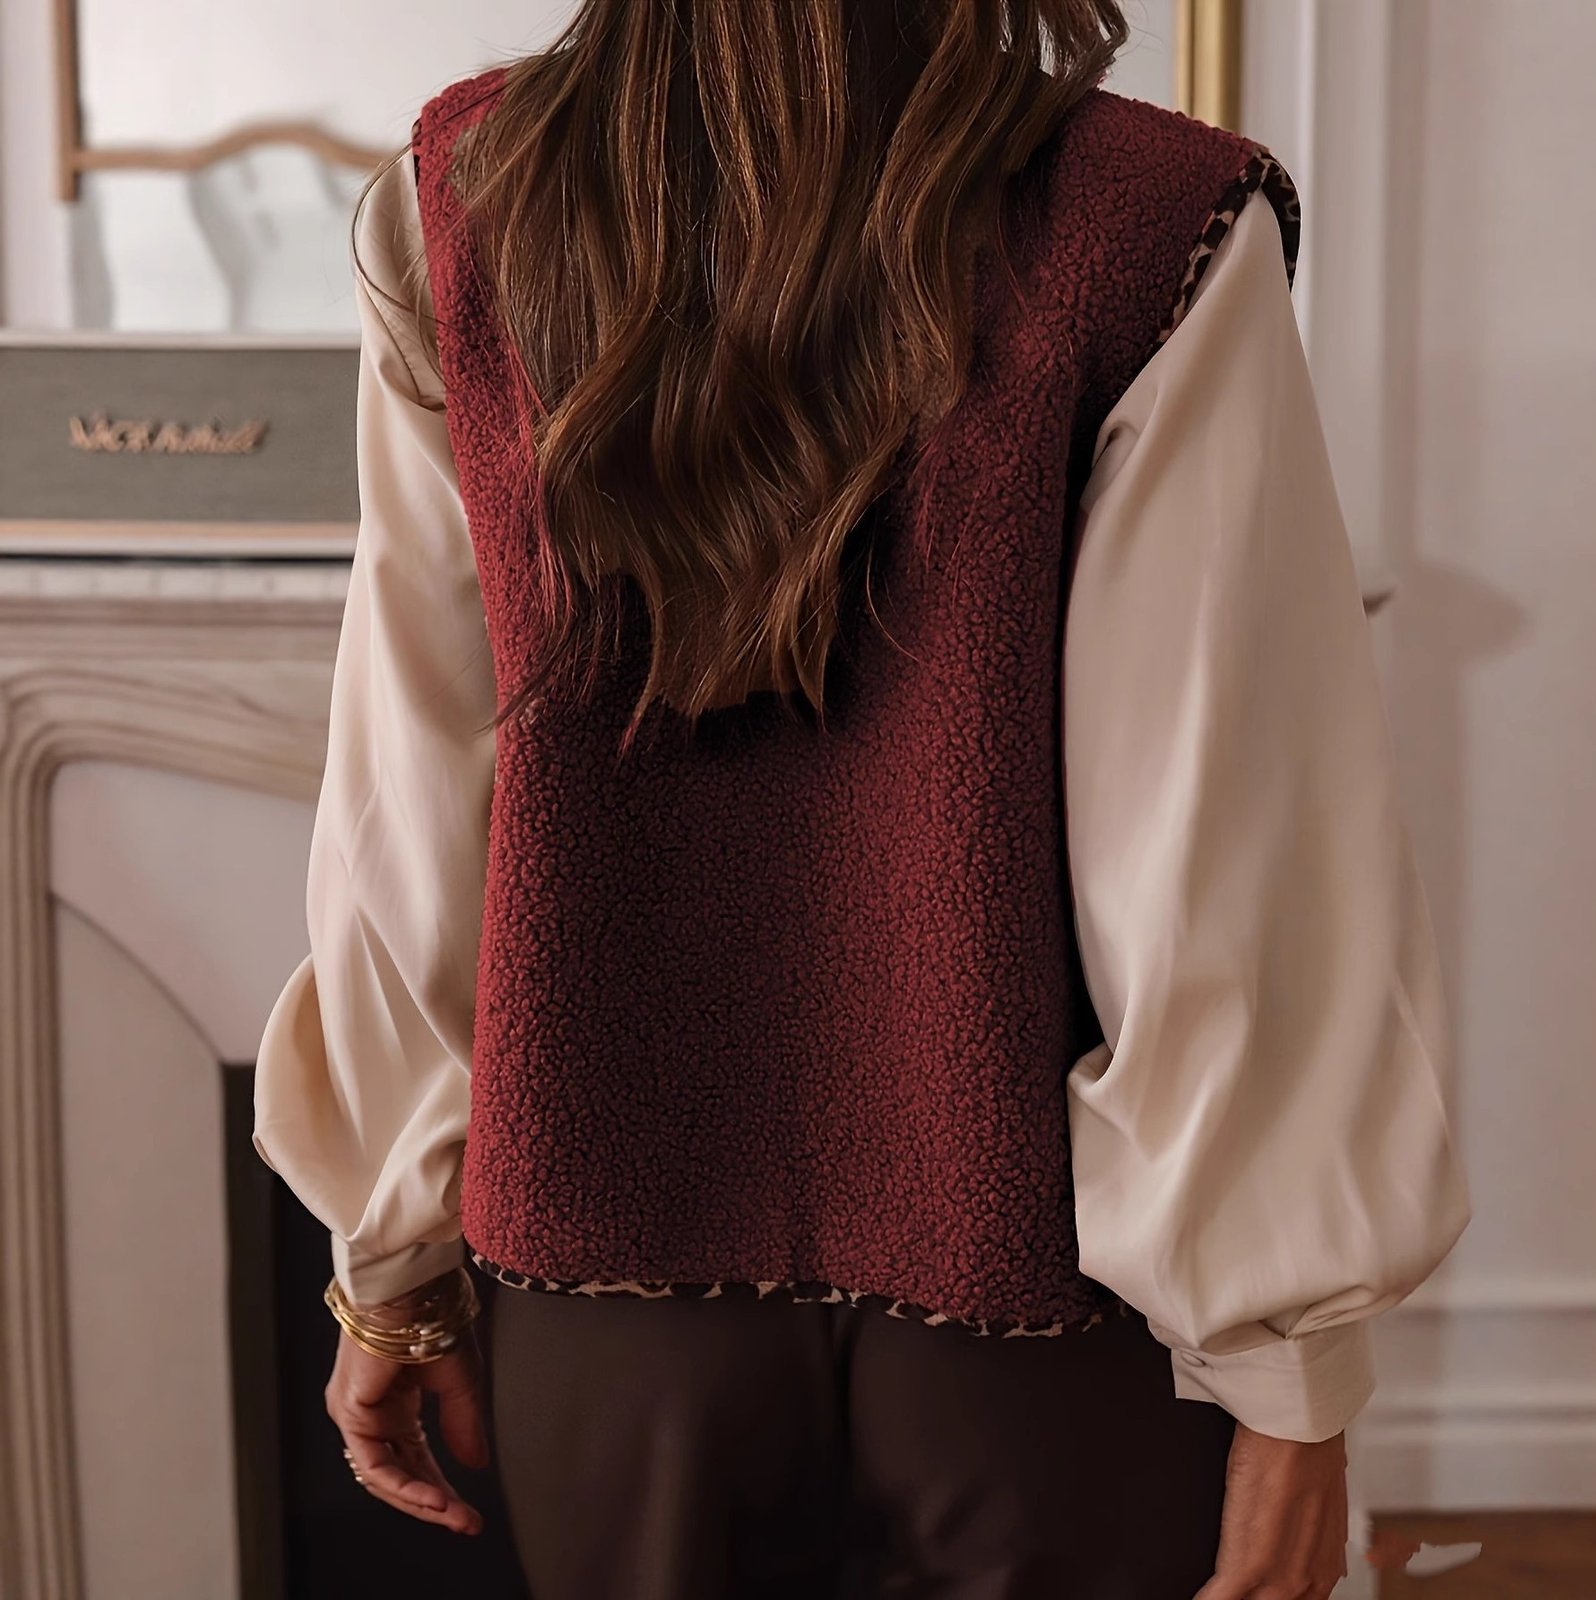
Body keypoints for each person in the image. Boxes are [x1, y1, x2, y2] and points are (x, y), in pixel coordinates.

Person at [253, 4, 1472, 1596]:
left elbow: (410, 804)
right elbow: (1217, 834)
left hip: (609, 1301)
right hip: (1034, 1313)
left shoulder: (462, 198)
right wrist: (1291, 1368)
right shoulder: (1152, 219)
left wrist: (392, 1255)